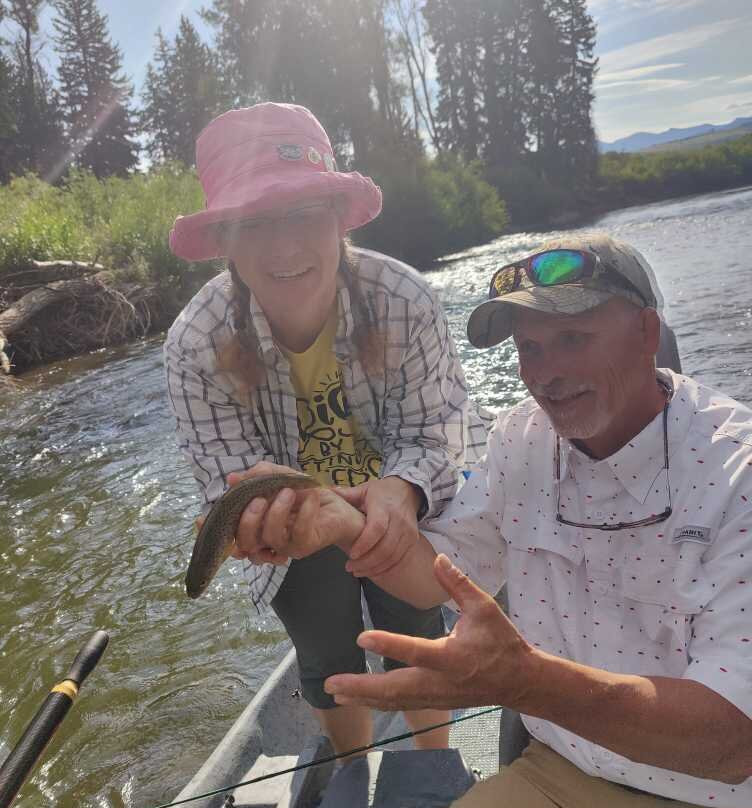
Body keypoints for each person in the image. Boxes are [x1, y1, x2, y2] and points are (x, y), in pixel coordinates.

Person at [244, 233, 752, 807]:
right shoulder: (520, 438)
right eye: (530, 348)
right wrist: (346, 526)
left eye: (573, 339)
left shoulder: (738, 475)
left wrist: (526, 683)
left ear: (646, 335)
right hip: (559, 770)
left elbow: (735, 743)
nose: (547, 373)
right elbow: (439, 575)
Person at [163, 102, 489, 758]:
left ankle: (432, 763)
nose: (283, 247)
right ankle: (351, 766)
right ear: (223, 240)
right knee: (324, 654)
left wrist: (402, 490)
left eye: (304, 214)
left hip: (396, 492)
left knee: (417, 632)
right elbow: (228, 488)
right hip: (296, 528)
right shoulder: (194, 345)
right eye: (254, 223)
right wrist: (259, 527)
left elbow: (435, 432)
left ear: (339, 217)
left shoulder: (405, 299)